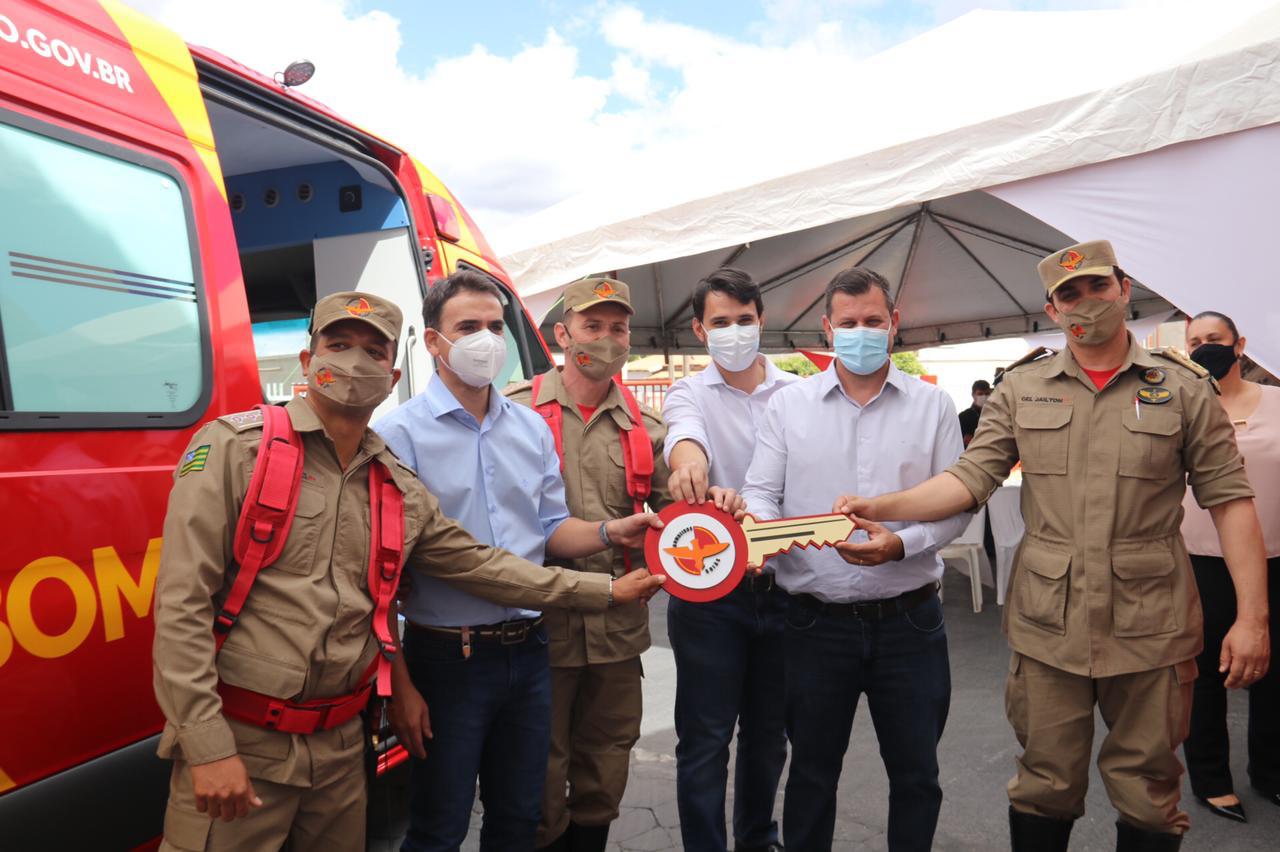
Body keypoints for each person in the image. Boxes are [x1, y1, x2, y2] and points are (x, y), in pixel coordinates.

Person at [151, 291, 664, 852]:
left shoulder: (391, 476)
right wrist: (208, 746)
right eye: (338, 345)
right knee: (438, 825)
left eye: (372, 352)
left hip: (346, 742)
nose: (353, 364)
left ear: (391, 373)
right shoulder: (243, 451)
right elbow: (182, 609)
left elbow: (482, 563)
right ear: (307, 361)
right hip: (257, 732)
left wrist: (608, 578)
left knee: (520, 817)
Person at [833, 240, 1272, 851]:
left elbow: (1230, 503)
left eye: (1097, 287)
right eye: (1069, 293)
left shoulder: (1183, 387)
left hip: (1151, 627)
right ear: (1052, 307)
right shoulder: (1022, 387)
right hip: (1048, 627)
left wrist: (1252, 617)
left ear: (1123, 289)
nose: (1085, 302)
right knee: (1044, 785)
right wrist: (881, 507)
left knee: (1149, 790)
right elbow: (967, 480)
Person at [372, 271, 665, 851]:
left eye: (495, 326)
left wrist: (612, 529)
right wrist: (398, 682)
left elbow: (551, 529)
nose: (487, 339)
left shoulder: (528, 428)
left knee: (519, 818)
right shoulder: (397, 435)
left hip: (530, 650)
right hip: (448, 656)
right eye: (468, 327)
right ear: (434, 342)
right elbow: (409, 567)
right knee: (440, 823)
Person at [740, 267, 967, 852]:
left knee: (917, 776)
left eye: (872, 321)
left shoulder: (933, 405)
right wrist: (761, 535)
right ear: (827, 328)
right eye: (848, 324)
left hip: (910, 621)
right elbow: (761, 490)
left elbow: (960, 505)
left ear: (893, 325)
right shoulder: (789, 406)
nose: (861, 333)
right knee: (813, 776)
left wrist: (903, 543)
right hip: (814, 623)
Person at [509, 278, 725, 852]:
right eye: (592, 326)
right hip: (536, 627)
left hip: (617, 633)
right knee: (536, 775)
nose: (606, 339)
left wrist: (717, 510)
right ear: (562, 334)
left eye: (618, 328)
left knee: (605, 771)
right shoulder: (513, 413)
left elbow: (682, 517)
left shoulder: (644, 429)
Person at [662, 268, 795, 852]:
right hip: (710, 594)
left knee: (769, 736)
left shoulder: (799, 391)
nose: (735, 331)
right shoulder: (688, 392)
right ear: (699, 329)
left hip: (785, 588)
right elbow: (683, 438)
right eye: (721, 322)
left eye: (745, 320)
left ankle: (757, 840)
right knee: (705, 740)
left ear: (761, 320)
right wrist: (688, 466)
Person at [1179, 310, 1280, 823]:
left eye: (1213, 340)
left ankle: (1271, 771)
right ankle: (1211, 778)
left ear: (1239, 345)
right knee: (1204, 674)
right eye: (1194, 341)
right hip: (1202, 560)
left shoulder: (1279, 403)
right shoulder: (1180, 407)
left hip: (1276, 556)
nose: (1203, 349)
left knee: (1275, 671)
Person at [958, 379, 991, 447]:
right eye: (980, 394)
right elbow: (966, 440)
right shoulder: (964, 417)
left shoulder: (997, 415)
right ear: (973, 395)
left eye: (987, 394)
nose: (984, 397)